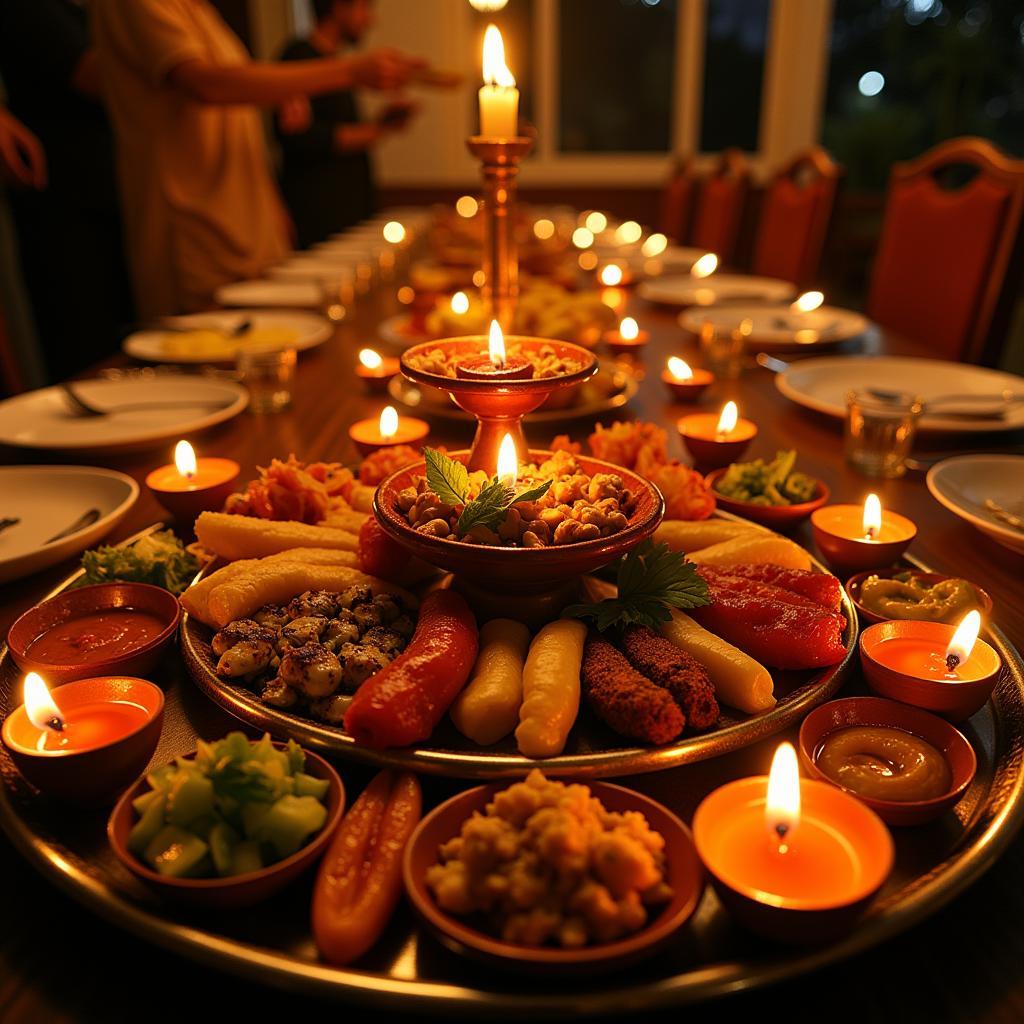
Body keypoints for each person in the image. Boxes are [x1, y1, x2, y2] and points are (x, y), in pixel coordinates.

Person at [91, 0, 422, 319]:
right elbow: (206, 84)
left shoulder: (199, 9)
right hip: (195, 233)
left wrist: (270, 204)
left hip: (248, 233)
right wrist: (352, 71)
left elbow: (236, 111)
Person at [0, 0, 135, 381]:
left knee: (122, 335)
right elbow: (99, 78)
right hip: (62, 194)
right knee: (83, 340)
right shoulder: (30, 9)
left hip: (109, 185)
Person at [276, 0, 419, 248]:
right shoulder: (299, 58)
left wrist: (381, 126)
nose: (370, 20)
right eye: (364, 7)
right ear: (339, 7)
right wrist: (376, 130)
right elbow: (301, 138)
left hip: (348, 216)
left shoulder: (336, 63)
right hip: (318, 220)